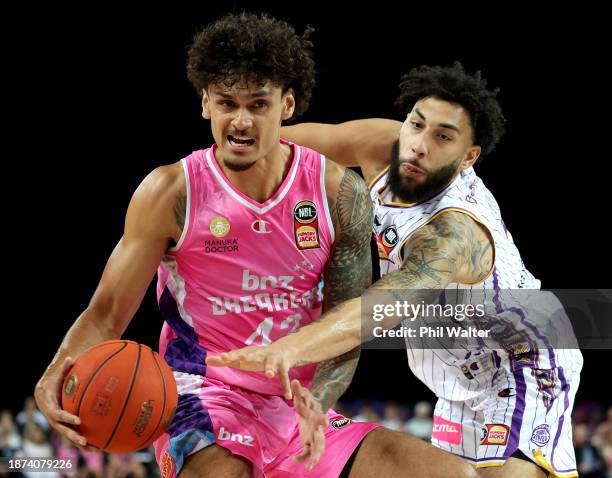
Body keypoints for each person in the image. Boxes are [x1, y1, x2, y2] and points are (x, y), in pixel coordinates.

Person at [34, 14, 476, 478]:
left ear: (286, 105)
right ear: (206, 103)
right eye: (226, 102)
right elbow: (106, 314)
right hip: (201, 395)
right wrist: (56, 370)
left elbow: (346, 325)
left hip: (294, 405)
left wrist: (316, 407)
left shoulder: (336, 194)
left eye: (258, 104)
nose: (240, 120)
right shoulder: (171, 193)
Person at [208, 62, 583, 477]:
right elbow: (273, 144)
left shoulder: (454, 234)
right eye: (416, 125)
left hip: (520, 359)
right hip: (456, 371)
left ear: (468, 157)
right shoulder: (387, 146)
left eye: (443, 137)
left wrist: (287, 349)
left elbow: (375, 311)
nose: (419, 145)